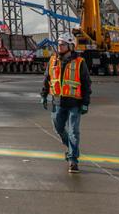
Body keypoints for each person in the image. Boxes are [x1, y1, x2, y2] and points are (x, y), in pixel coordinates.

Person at [40, 32, 91, 173]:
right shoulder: (53, 60)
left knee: (74, 131)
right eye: (59, 44)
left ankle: (73, 160)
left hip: (75, 103)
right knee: (58, 128)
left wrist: (86, 102)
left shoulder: (80, 62)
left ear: (70, 46)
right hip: (58, 103)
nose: (59, 46)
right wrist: (44, 95)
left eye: (62, 44)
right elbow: (47, 79)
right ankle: (71, 148)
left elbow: (86, 83)